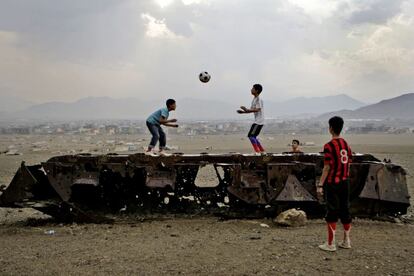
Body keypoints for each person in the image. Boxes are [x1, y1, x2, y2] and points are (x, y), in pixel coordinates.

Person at [317, 116, 353, 252]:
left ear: (330, 128)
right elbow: (349, 164)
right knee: (345, 210)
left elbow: (327, 167)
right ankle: (346, 241)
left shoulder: (328, 146)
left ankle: (331, 244)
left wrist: (320, 185)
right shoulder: (346, 144)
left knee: (332, 211)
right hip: (345, 182)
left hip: (333, 183)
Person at [237, 84, 265, 155]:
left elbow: (258, 109)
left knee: (251, 136)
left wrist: (246, 109)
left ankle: (258, 152)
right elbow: (251, 110)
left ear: (257, 90)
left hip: (259, 122)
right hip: (257, 121)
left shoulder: (259, 99)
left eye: (253, 88)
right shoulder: (254, 99)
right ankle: (262, 151)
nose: (251, 90)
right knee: (253, 136)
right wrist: (243, 112)